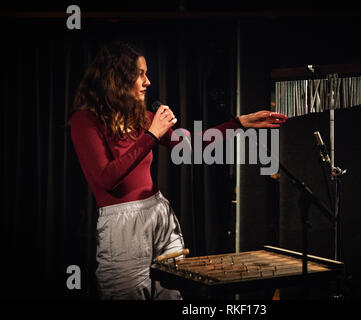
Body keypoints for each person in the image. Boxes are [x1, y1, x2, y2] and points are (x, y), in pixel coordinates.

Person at [70, 41, 287, 300]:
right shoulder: (85, 121)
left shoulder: (141, 117)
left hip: (158, 214)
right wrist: (151, 135)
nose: (148, 81)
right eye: (140, 74)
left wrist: (240, 123)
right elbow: (106, 179)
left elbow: (191, 143)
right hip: (123, 225)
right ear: (118, 77)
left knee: (172, 294)